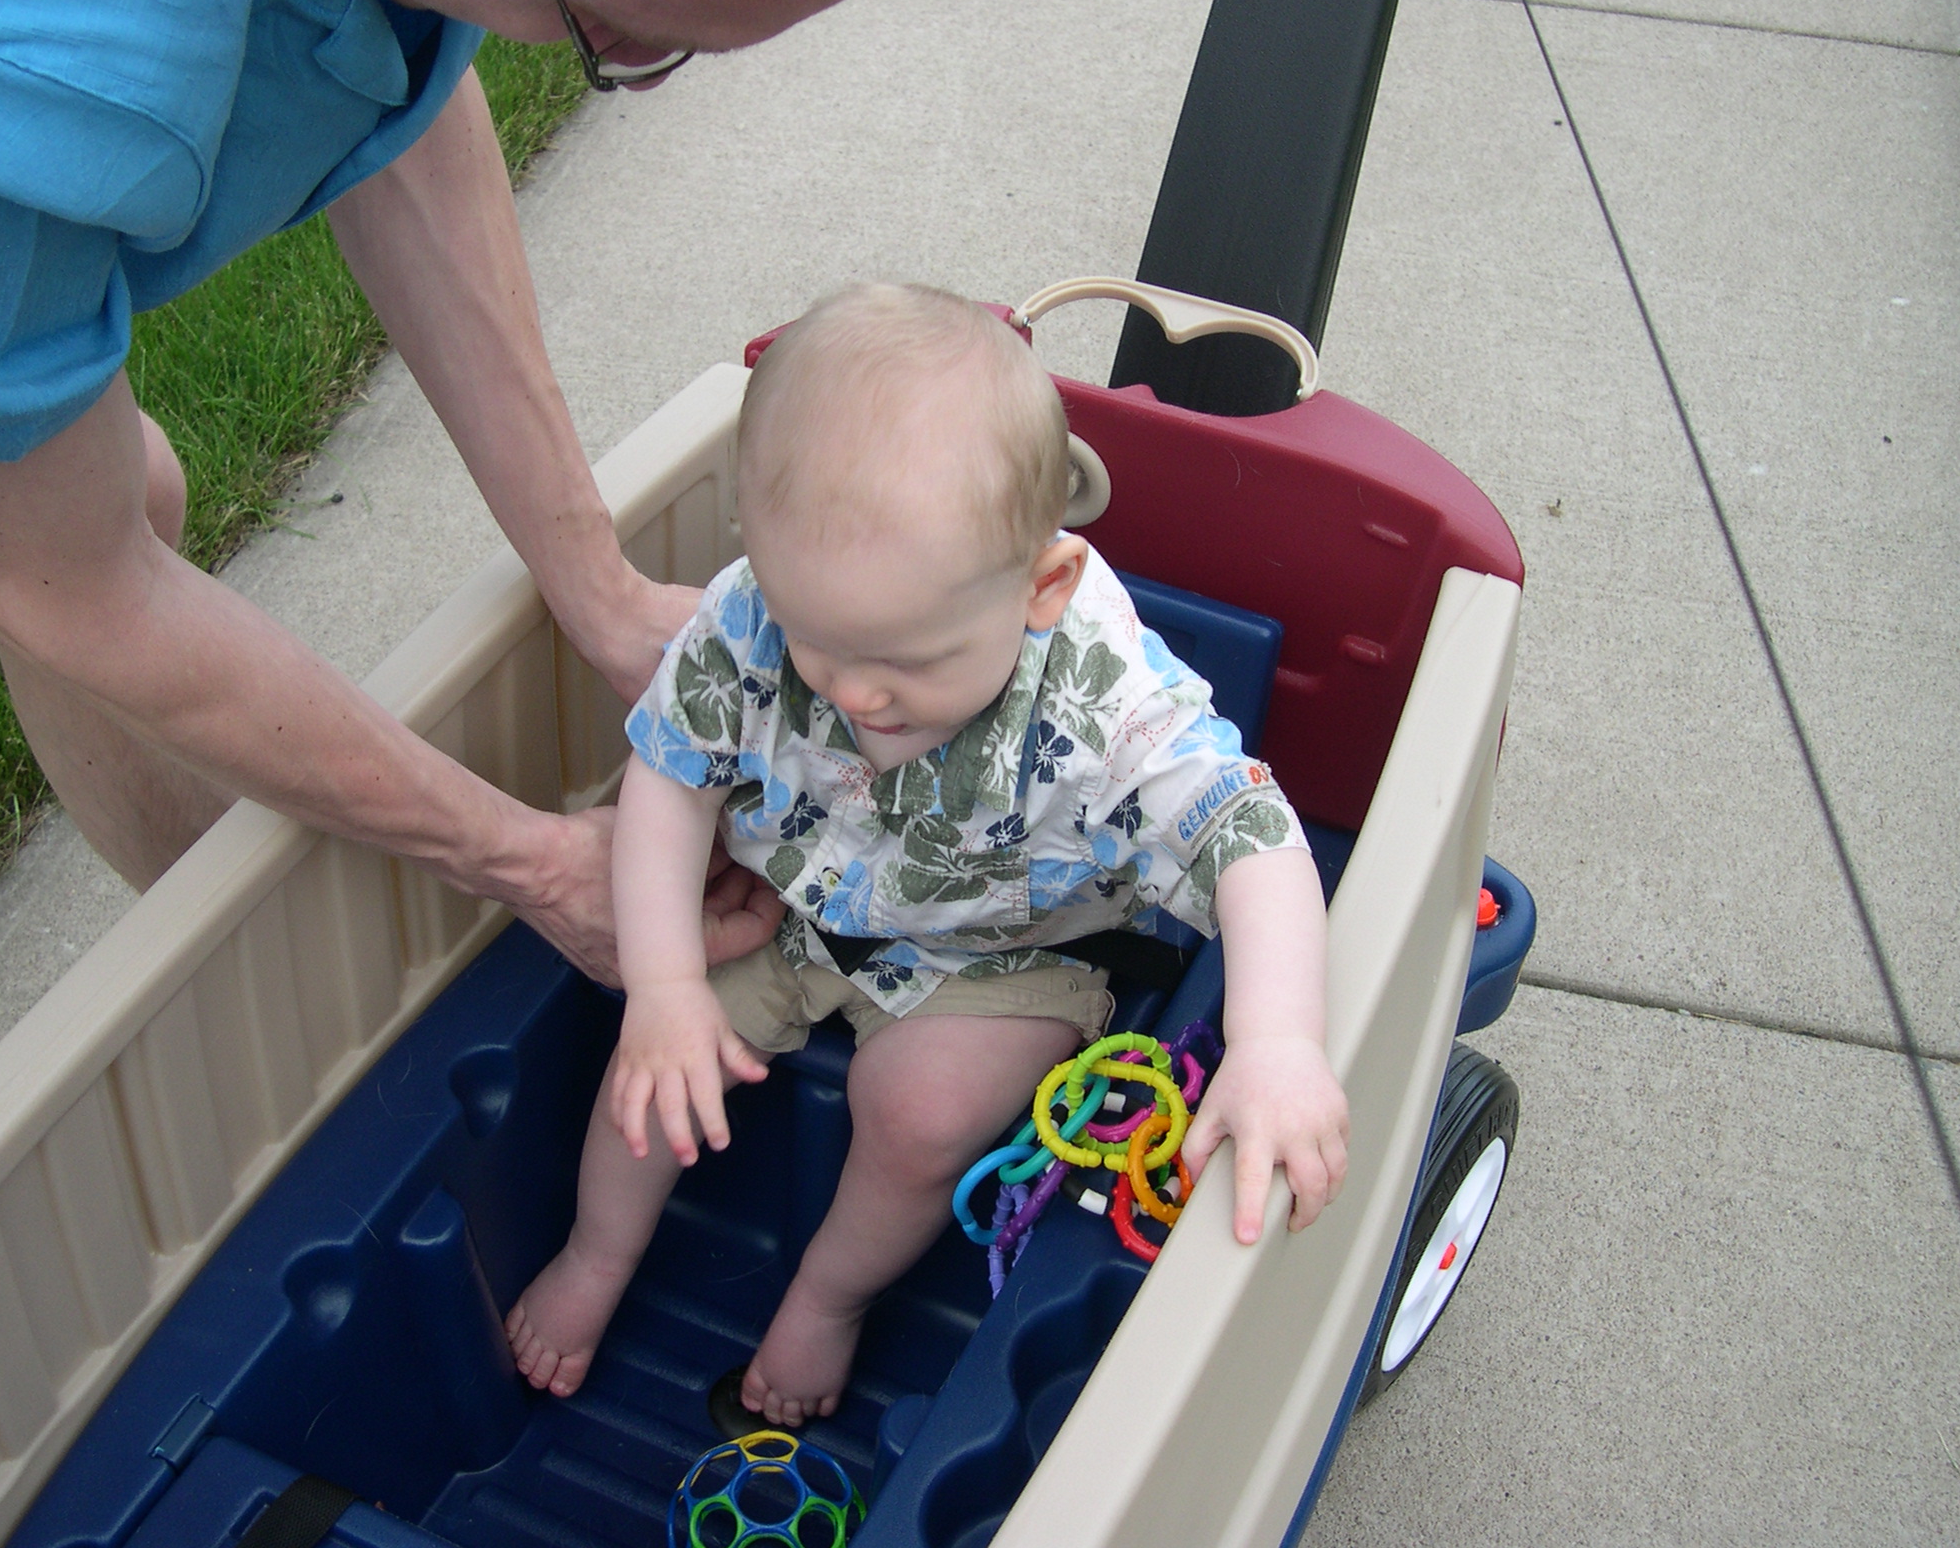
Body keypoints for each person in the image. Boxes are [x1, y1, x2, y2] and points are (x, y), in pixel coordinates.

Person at [0, 0, 982, 1318]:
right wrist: (527, 862)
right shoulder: (1, 73)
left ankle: (250, 1020)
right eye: (619, 39)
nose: (629, 63)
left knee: (119, 488)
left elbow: (398, 97)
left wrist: (593, 584)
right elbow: (62, 584)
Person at [503, 283, 1351, 1426]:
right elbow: (671, 770)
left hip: (998, 953)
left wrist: (1280, 1040)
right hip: (791, 898)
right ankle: (597, 1256)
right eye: (821, 645)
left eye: (905, 661)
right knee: (649, 1060)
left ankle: (829, 1298)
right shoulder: (761, 611)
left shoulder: (1103, 696)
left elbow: (1251, 833)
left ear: (1042, 587)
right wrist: (660, 988)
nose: (852, 690)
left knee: (920, 1112)